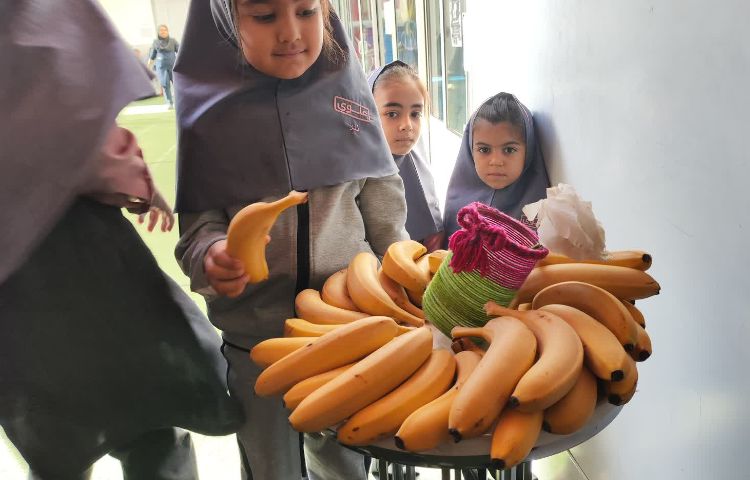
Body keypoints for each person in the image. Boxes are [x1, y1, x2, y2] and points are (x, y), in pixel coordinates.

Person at [0, 1, 242, 478]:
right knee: (151, 422)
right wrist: (137, 182)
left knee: (56, 441)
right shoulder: (30, 26)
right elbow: (83, 133)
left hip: (15, 300)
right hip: (85, 266)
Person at [173, 0, 408, 479]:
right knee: (269, 467)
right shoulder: (209, 121)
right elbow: (199, 228)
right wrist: (211, 255)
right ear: (226, 19)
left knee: (345, 462)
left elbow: (384, 213)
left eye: (307, 12)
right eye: (265, 17)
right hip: (256, 341)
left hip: (349, 329)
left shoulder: (350, 101)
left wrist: (404, 280)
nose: (291, 33)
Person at [443, 92, 550, 240]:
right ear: (470, 149)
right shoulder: (458, 206)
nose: (496, 161)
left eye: (509, 150)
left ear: (529, 150)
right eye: (484, 150)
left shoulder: (544, 212)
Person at [368, 60, 444, 252]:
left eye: (415, 114)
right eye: (392, 114)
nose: (407, 125)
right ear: (368, 113)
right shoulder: (353, 175)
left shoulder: (419, 166)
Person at [148, 24, 179, 108]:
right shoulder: (155, 42)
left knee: (177, 84)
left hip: (173, 66)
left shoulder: (173, 41)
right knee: (165, 84)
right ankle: (169, 102)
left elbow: (180, 51)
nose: (163, 32)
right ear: (158, 32)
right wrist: (148, 67)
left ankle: (179, 101)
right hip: (161, 67)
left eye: (165, 30)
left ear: (168, 31)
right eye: (161, 30)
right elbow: (152, 56)